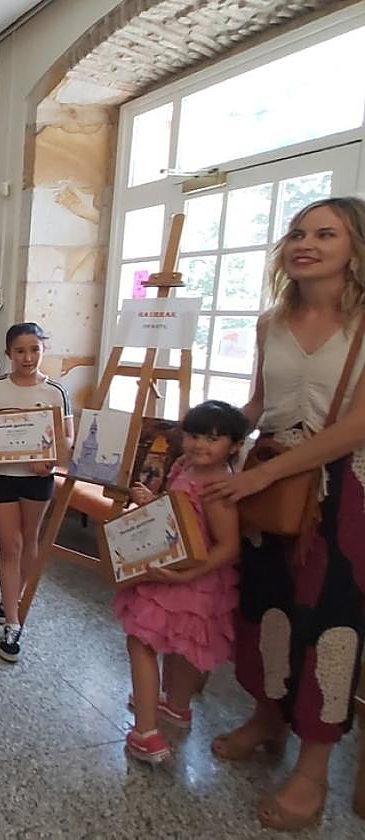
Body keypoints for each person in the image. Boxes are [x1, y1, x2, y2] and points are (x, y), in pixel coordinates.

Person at [204, 197, 365, 831]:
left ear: (355, 247)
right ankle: (268, 717)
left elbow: (358, 423)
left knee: (331, 621)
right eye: (298, 232)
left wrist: (267, 473)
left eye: (326, 234)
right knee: (264, 603)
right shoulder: (272, 321)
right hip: (267, 479)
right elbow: (260, 405)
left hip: (340, 488)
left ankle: (314, 768)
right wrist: (208, 443)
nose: (306, 243)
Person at [116, 400, 247, 765]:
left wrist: (189, 574)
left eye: (212, 439)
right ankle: (176, 706)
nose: (199, 445)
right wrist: (152, 501)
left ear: (234, 446)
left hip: (189, 579)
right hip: (171, 570)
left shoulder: (218, 487)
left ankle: (145, 733)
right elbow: (175, 513)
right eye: (193, 435)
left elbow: (229, 545)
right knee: (180, 645)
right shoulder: (184, 467)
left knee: (142, 641)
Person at [0, 322, 73, 663]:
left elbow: (66, 438)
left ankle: (12, 600)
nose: (27, 357)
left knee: (29, 539)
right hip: (2, 477)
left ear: (43, 350)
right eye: (20, 351)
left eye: (34, 350)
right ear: (8, 354)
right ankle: (12, 623)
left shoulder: (55, 391)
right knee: (9, 544)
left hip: (38, 480)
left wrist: (51, 460)